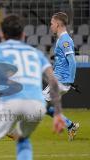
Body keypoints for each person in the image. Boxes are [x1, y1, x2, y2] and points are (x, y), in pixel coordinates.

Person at [0, 14, 65, 160]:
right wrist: (57, 113)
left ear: (1, 34)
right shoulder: (36, 53)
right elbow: (53, 82)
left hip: (10, 103)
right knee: (22, 138)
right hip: (37, 105)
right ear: (23, 34)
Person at [43, 12, 79, 141]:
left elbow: (73, 61)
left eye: (52, 23)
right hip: (59, 79)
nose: (51, 26)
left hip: (61, 80)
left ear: (57, 24)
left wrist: (70, 79)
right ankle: (71, 125)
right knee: (44, 106)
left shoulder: (65, 40)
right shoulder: (61, 39)